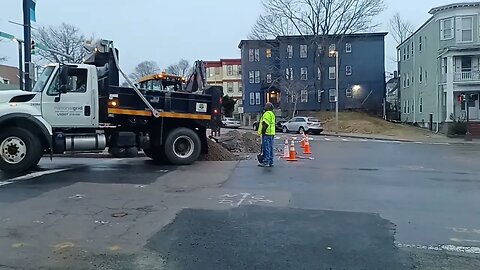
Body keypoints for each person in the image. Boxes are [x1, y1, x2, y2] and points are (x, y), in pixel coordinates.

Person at [257, 102, 276, 167]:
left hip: (267, 133)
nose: (264, 107)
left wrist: (263, 132)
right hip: (271, 133)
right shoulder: (272, 114)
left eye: (265, 106)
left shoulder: (267, 114)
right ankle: (271, 161)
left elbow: (265, 124)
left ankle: (266, 162)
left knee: (266, 148)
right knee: (270, 148)